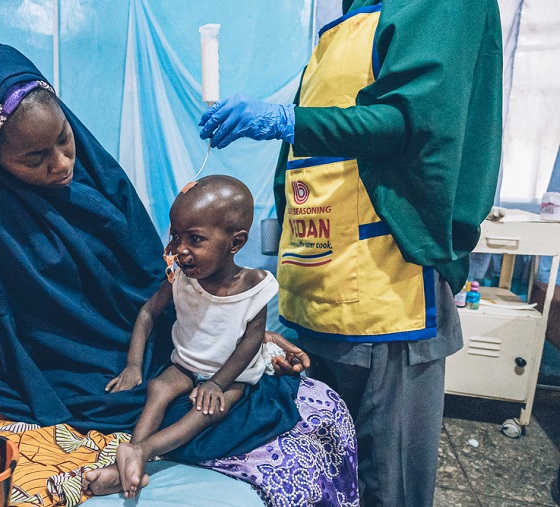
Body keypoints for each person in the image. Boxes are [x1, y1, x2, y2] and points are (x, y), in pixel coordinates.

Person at [0, 40, 359, 506]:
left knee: (280, 401)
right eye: (35, 159)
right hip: (68, 370)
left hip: (150, 344)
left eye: (63, 140)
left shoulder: (96, 173)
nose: (62, 165)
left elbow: (156, 279)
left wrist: (247, 333)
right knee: (219, 411)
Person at [197, 2, 502, 506]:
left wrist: (284, 119)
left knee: (387, 482)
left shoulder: (442, 8)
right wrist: (274, 256)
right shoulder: (347, 21)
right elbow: (301, 167)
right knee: (325, 470)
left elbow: (415, 122)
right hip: (315, 292)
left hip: (387, 294)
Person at [103, 175, 288, 497]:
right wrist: (134, 366)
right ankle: (128, 458)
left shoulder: (255, 286)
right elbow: (148, 313)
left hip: (232, 375)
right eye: (176, 236)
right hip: (186, 363)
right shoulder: (181, 278)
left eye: (195, 239)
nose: (180, 249)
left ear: (235, 242)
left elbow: (251, 340)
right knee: (159, 388)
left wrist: (217, 383)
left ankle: (143, 452)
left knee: (211, 409)